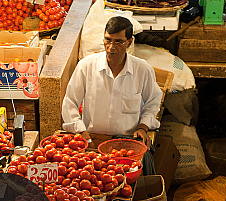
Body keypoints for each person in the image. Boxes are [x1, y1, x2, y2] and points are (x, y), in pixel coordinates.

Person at [61, 16, 163, 174]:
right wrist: (81, 132)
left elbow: (153, 102)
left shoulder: (143, 70)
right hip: (92, 141)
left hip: (126, 145)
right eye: (108, 40)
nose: (111, 47)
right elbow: (70, 102)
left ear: (129, 42)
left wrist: (143, 127)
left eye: (118, 42)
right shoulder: (86, 66)